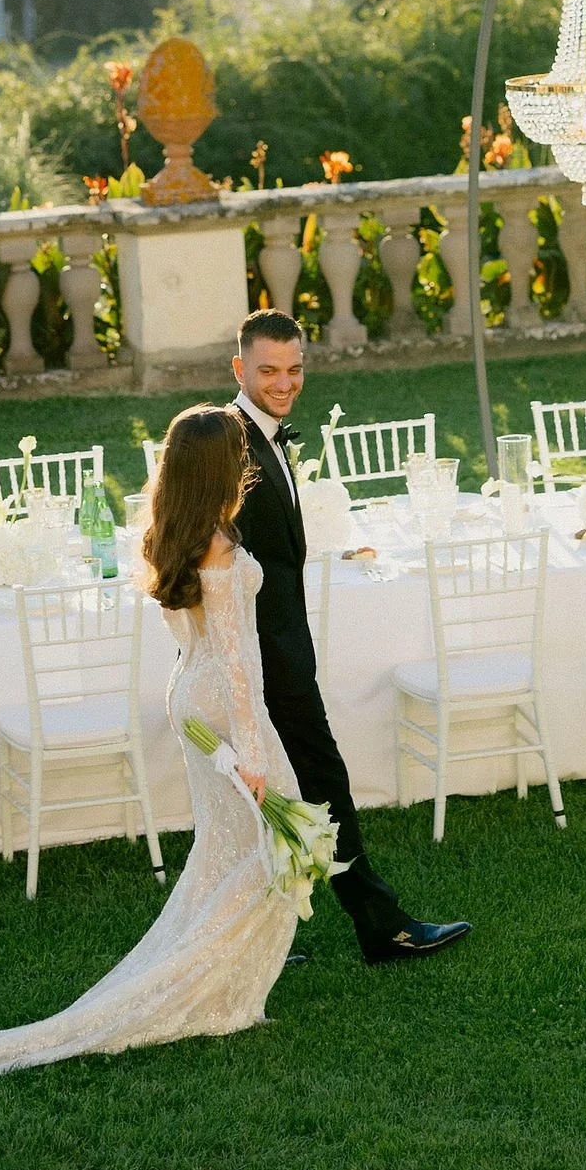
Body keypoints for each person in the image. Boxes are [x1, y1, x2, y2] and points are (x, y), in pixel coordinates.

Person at [0, 405, 305, 1090]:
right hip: (223, 701)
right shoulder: (219, 547)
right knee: (278, 843)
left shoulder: (177, 533)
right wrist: (253, 753)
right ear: (224, 470)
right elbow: (241, 659)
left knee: (229, 846)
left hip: (187, 692)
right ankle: (206, 987)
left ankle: (216, 976)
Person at [230, 307, 469, 964]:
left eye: (294, 369)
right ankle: (381, 927)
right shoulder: (228, 446)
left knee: (272, 800)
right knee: (318, 786)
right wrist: (254, 668)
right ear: (239, 369)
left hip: (276, 649)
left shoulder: (266, 437)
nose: (284, 383)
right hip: (259, 659)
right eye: (268, 371)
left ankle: (260, 941)